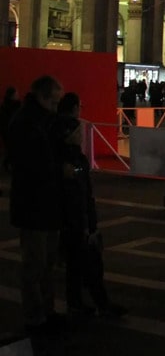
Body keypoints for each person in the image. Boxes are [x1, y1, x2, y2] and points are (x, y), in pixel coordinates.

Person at [53, 97, 126, 319]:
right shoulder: (72, 160)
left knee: (77, 265)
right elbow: (78, 194)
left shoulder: (69, 157)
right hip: (77, 219)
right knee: (88, 263)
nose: (82, 135)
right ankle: (99, 303)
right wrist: (87, 223)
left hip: (76, 218)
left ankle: (81, 302)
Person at [7, 75, 66, 332]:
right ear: (42, 97)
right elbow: (31, 164)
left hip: (45, 201)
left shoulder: (41, 121)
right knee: (35, 263)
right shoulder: (26, 123)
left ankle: (47, 311)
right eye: (54, 102)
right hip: (33, 202)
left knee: (47, 263)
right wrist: (58, 169)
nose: (56, 108)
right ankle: (35, 316)